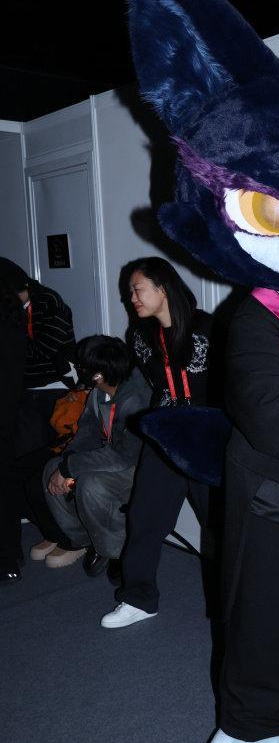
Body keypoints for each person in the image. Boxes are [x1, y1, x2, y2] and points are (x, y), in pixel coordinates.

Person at [100, 257, 213, 628]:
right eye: (130, 292)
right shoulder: (139, 336)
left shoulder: (208, 328)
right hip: (164, 433)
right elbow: (156, 385)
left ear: (162, 288)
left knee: (221, 524)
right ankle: (139, 598)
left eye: (137, 290)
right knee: (145, 515)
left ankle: (234, 602)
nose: (131, 298)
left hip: (207, 436)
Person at [41, 335, 151, 574]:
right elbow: (88, 429)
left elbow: (124, 457)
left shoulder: (135, 399)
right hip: (111, 456)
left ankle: (116, 551)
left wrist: (70, 468)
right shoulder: (100, 392)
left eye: (83, 367)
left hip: (138, 466)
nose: (78, 370)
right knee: (51, 469)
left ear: (97, 375)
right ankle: (86, 539)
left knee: (92, 485)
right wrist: (67, 461)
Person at [0, 258, 77, 389]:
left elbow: (46, 351)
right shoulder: (10, 307)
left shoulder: (48, 301)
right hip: (21, 383)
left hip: (52, 384)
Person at [0, 274, 27, 582]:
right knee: (5, 484)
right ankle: (10, 555)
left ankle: (7, 557)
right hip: (8, 411)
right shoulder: (13, 318)